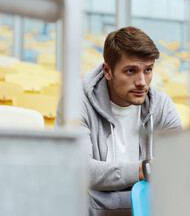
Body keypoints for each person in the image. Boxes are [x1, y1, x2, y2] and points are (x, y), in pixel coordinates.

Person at [55, 26, 181, 216]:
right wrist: (143, 170)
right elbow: (78, 169)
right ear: (107, 71)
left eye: (148, 70)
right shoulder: (75, 101)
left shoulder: (162, 106)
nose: (142, 82)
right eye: (131, 71)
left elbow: (178, 169)